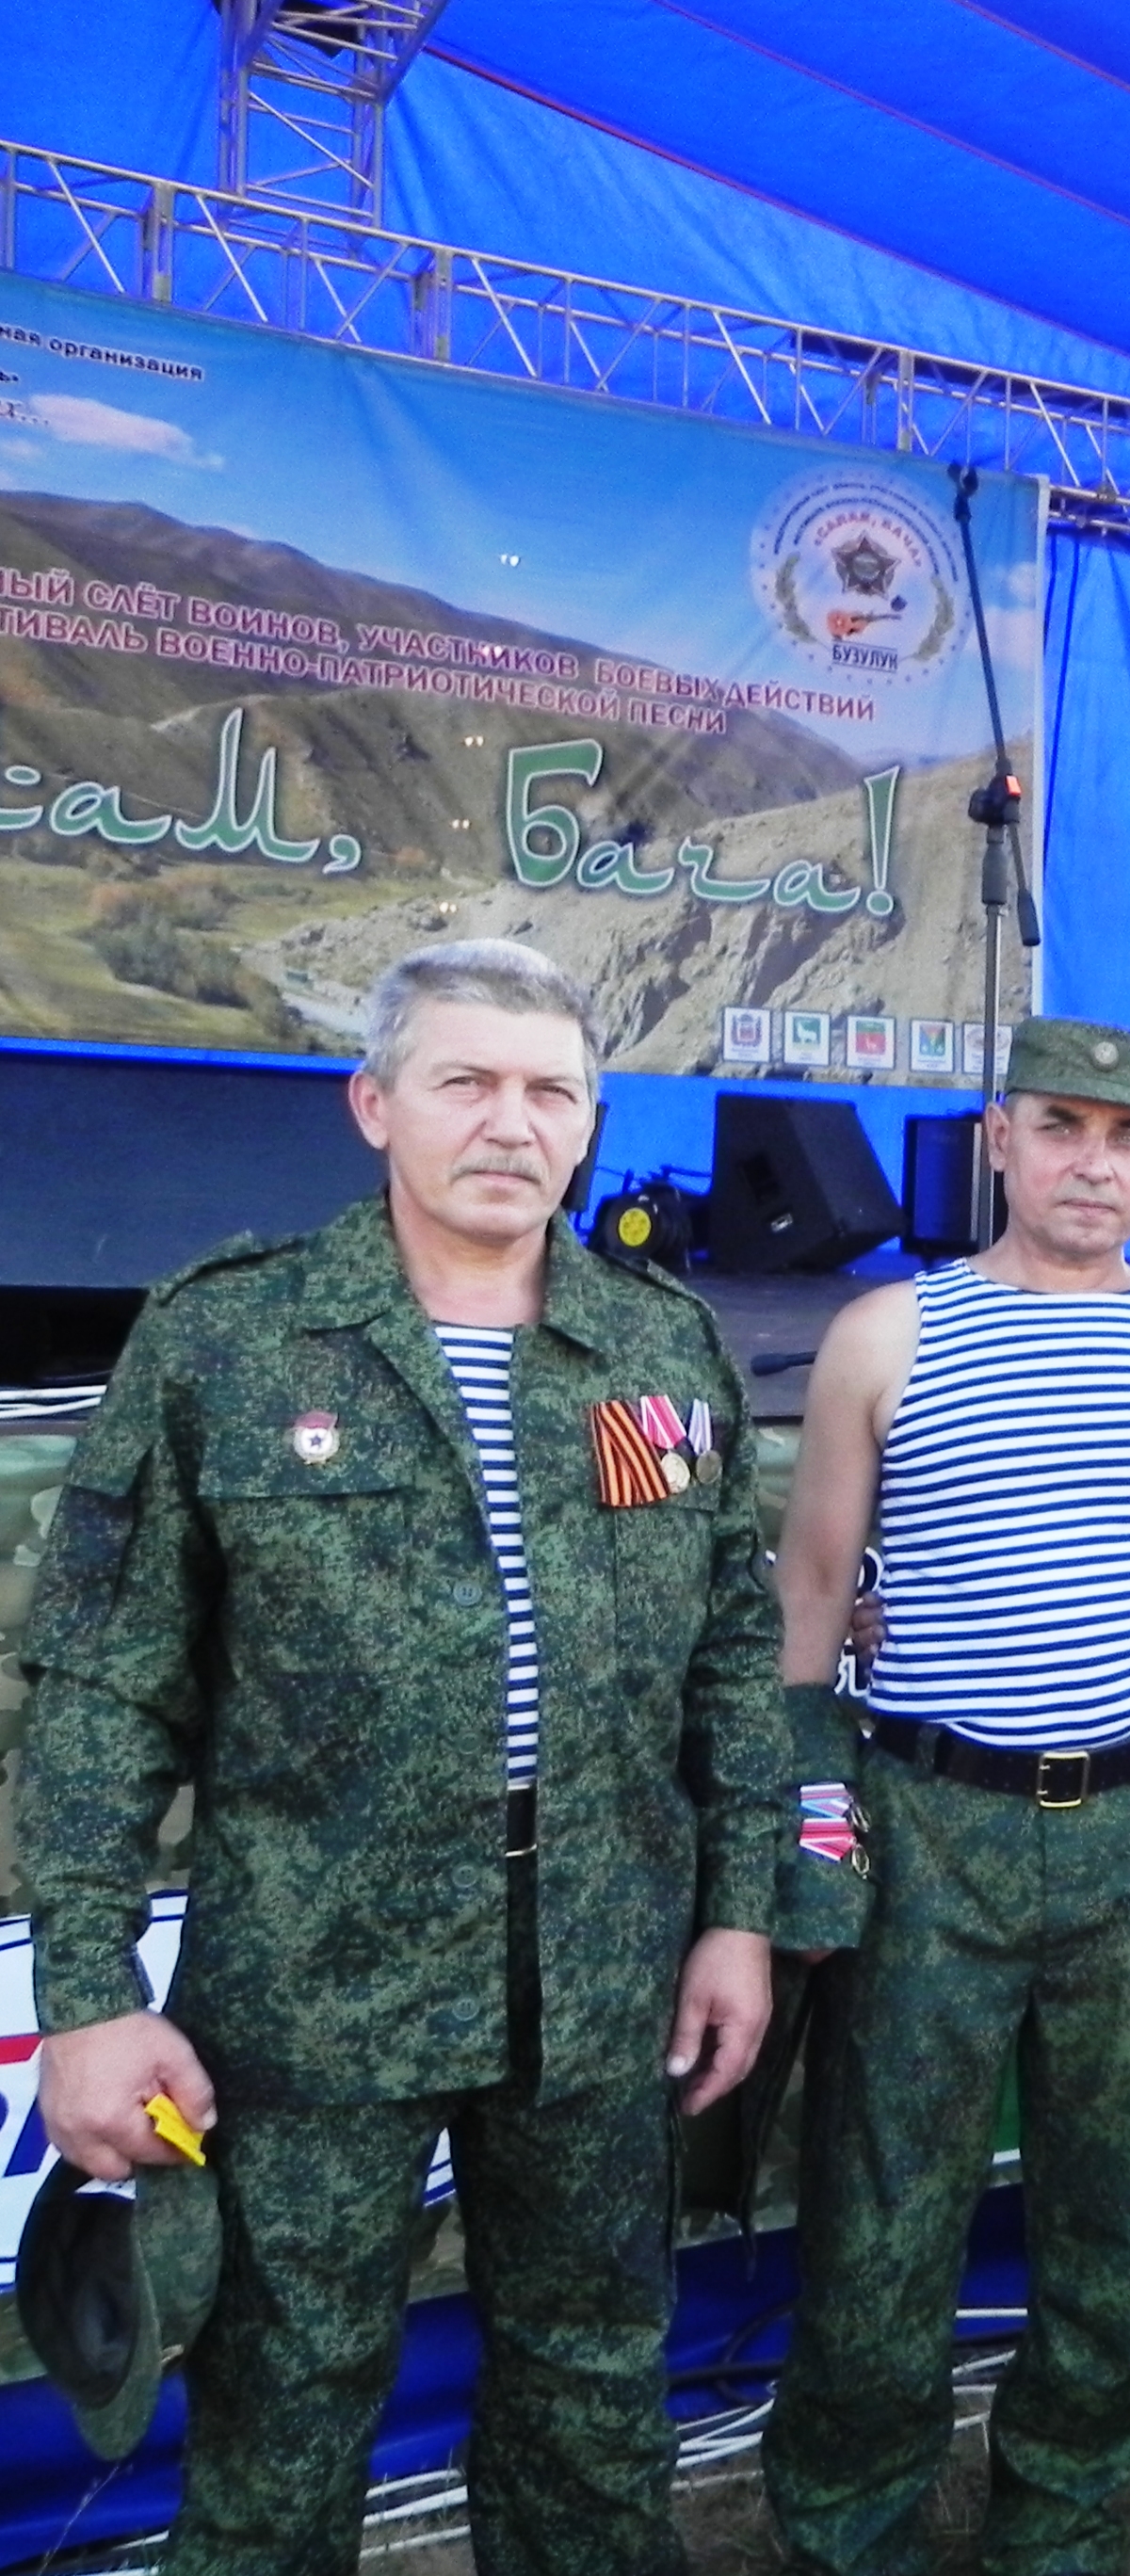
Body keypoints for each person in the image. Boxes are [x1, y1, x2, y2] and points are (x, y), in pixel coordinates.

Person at [15, 937, 788, 2575]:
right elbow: (103, 1686)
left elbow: (730, 1658)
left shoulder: (665, 1350)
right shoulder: (232, 1341)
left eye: (551, 1091)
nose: (511, 1123)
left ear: (589, 1124)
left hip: (601, 1975)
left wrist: (736, 1912)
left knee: (593, 2406)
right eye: (465, 1081)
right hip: (313, 1988)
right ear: (375, 1105)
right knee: (281, 2421)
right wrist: (86, 1993)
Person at [760, 1015, 1130, 2576]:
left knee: (1112, 2213)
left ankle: (1059, 2519)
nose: (1092, 1164)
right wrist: (801, 1827)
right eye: (1060, 1127)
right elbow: (810, 1594)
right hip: (933, 1828)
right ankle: (850, 2530)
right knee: (881, 2213)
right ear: (998, 1139)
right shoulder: (887, 1334)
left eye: (1126, 1138)